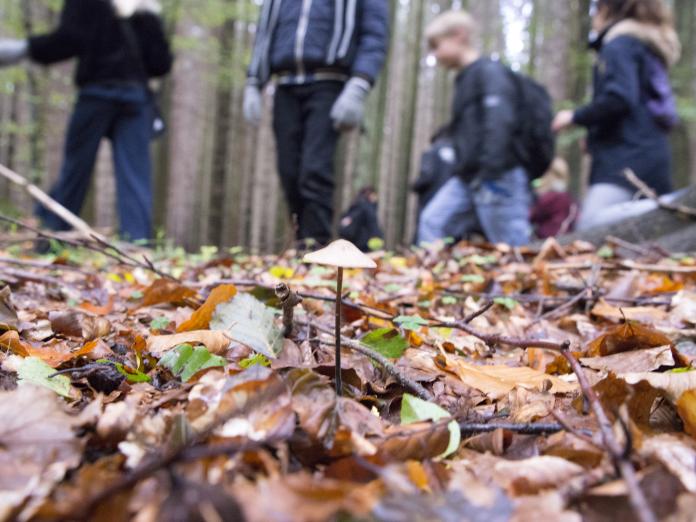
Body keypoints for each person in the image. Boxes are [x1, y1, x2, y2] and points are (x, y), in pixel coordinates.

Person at [0, 0, 173, 241]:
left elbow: (67, 40)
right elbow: (161, 63)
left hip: (96, 95)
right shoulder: (146, 9)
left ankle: (52, 238)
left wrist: (24, 48)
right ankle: (137, 244)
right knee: (135, 176)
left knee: (75, 171)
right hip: (135, 99)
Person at [243, 0, 389, 247]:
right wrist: (254, 82)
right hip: (285, 85)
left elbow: (375, 35)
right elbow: (265, 32)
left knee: (315, 170)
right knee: (288, 171)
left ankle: (316, 248)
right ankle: (303, 242)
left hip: (329, 84)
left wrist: (359, 84)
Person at [552, 0, 680, 231]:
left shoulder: (619, 44)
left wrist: (575, 117)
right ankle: (673, 206)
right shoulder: (642, 45)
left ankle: (677, 204)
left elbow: (620, 98)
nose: (593, 18)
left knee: (591, 224)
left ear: (606, 9)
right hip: (650, 152)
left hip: (626, 159)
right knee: (647, 235)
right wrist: (593, 136)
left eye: (594, 10)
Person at [417, 10, 533, 246]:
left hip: (498, 174)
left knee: (510, 244)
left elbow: (500, 121)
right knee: (432, 221)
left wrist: (491, 171)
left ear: (459, 35)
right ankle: (431, 280)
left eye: (436, 46)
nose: (435, 55)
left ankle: (523, 282)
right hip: (468, 176)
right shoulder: (466, 79)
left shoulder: (489, 73)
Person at [530, 157, 578, 238]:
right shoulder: (567, 196)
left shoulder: (553, 196)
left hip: (551, 236)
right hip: (565, 235)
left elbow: (533, 215)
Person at [338, 186, 383, 252]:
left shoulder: (356, 204)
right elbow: (372, 225)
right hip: (363, 243)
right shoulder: (367, 207)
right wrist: (378, 237)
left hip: (353, 241)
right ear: (371, 194)